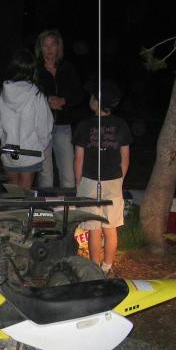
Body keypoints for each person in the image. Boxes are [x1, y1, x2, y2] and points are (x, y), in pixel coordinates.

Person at [73, 79, 132, 275]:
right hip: (113, 182)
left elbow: (79, 159)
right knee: (110, 227)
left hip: (89, 181)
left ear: (98, 102)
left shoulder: (83, 126)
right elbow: (125, 159)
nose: (90, 100)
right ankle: (107, 266)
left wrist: (78, 183)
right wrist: (119, 180)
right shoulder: (121, 125)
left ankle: (95, 267)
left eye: (92, 97)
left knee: (94, 228)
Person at [0, 48, 53, 190]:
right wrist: (39, 145)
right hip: (31, 152)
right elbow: (44, 126)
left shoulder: (1, 94)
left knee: (12, 192)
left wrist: (6, 139)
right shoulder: (36, 94)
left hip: (8, 151)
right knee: (25, 194)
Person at [34, 29, 85, 191]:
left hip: (63, 125)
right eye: (45, 45)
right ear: (40, 48)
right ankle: (46, 213)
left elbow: (79, 94)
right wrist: (46, 101)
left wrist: (64, 100)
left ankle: (67, 211)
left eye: (53, 45)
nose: (49, 50)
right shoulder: (35, 70)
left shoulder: (67, 68)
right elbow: (29, 95)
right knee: (45, 174)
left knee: (68, 174)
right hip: (41, 127)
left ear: (59, 47)